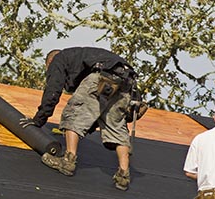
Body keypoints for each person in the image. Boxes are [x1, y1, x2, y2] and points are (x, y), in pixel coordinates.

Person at [20, 47, 146, 191]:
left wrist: (38, 120)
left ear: (49, 62)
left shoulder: (59, 58)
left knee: (74, 114)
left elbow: (53, 91)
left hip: (103, 76)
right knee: (116, 127)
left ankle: (68, 161)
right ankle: (123, 175)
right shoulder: (84, 57)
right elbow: (95, 110)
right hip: (127, 83)